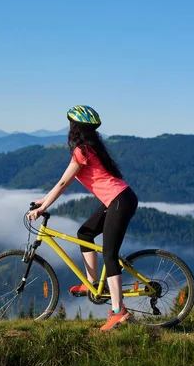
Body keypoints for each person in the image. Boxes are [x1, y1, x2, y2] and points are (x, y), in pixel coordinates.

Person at [27, 105, 138, 331]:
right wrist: (44, 200)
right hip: (119, 199)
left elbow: (63, 183)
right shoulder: (91, 147)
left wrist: (42, 207)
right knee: (85, 233)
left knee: (110, 254)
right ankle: (92, 283)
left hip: (120, 201)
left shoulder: (82, 151)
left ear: (73, 128)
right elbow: (61, 183)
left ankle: (119, 311)